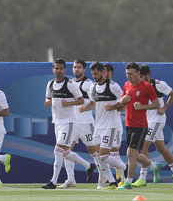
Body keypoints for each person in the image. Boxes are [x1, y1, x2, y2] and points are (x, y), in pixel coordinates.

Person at [42, 59, 96, 189]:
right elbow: (48, 97)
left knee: (58, 150)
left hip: (69, 122)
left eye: (61, 68)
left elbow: (81, 100)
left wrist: (69, 103)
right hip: (57, 122)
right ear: (53, 69)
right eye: (56, 68)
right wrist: (47, 101)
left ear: (64, 70)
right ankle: (88, 166)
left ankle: (53, 182)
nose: (58, 70)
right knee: (65, 153)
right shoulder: (50, 84)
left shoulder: (70, 85)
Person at [109, 62, 160, 190]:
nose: (128, 76)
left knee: (131, 153)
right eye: (127, 74)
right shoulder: (126, 85)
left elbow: (156, 104)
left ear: (138, 73)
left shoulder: (147, 87)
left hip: (141, 125)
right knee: (134, 155)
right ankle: (154, 166)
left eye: (131, 74)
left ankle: (128, 182)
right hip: (128, 123)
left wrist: (143, 106)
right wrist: (122, 101)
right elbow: (121, 104)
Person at [136, 64, 173, 187]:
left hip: (157, 119)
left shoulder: (158, 84)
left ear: (148, 75)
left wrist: (164, 108)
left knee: (143, 146)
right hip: (147, 120)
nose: (140, 79)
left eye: (142, 77)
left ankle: (143, 177)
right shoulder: (138, 86)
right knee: (160, 148)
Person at [60, 59, 100, 188]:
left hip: (86, 123)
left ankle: (105, 177)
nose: (76, 69)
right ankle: (71, 179)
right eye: (74, 67)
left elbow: (94, 102)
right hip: (72, 123)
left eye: (79, 67)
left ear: (84, 69)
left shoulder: (88, 84)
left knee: (93, 151)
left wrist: (85, 108)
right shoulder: (70, 83)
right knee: (66, 150)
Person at [88, 61, 127, 189]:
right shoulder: (93, 87)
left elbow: (124, 102)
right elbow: (94, 104)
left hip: (111, 125)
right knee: (98, 155)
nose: (94, 76)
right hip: (98, 125)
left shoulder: (113, 86)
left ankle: (124, 167)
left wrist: (113, 106)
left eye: (96, 73)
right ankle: (111, 181)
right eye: (93, 74)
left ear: (103, 72)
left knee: (104, 155)